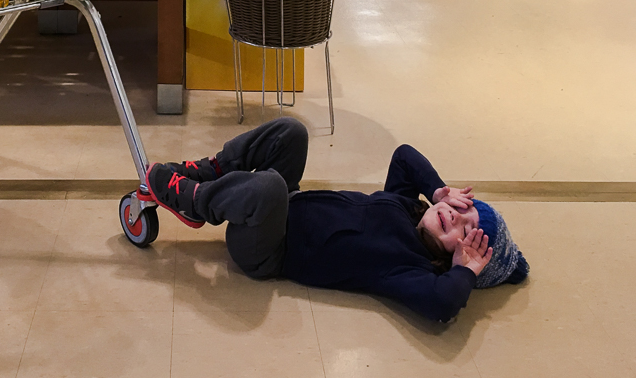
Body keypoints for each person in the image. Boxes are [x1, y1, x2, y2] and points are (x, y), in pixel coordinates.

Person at [145, 118, 529, 322]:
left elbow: (443, 305)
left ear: (452, 260)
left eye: (464, 235)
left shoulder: (408, 268)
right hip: (290, 201)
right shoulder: (407, 205)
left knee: (269, 188)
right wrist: (439, 188)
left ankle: (193, 200)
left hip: (266, 249)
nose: (454, 218)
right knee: (291, 133)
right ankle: (214, 169)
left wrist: (466, 273)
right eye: (463, 211)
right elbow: (404, 156)